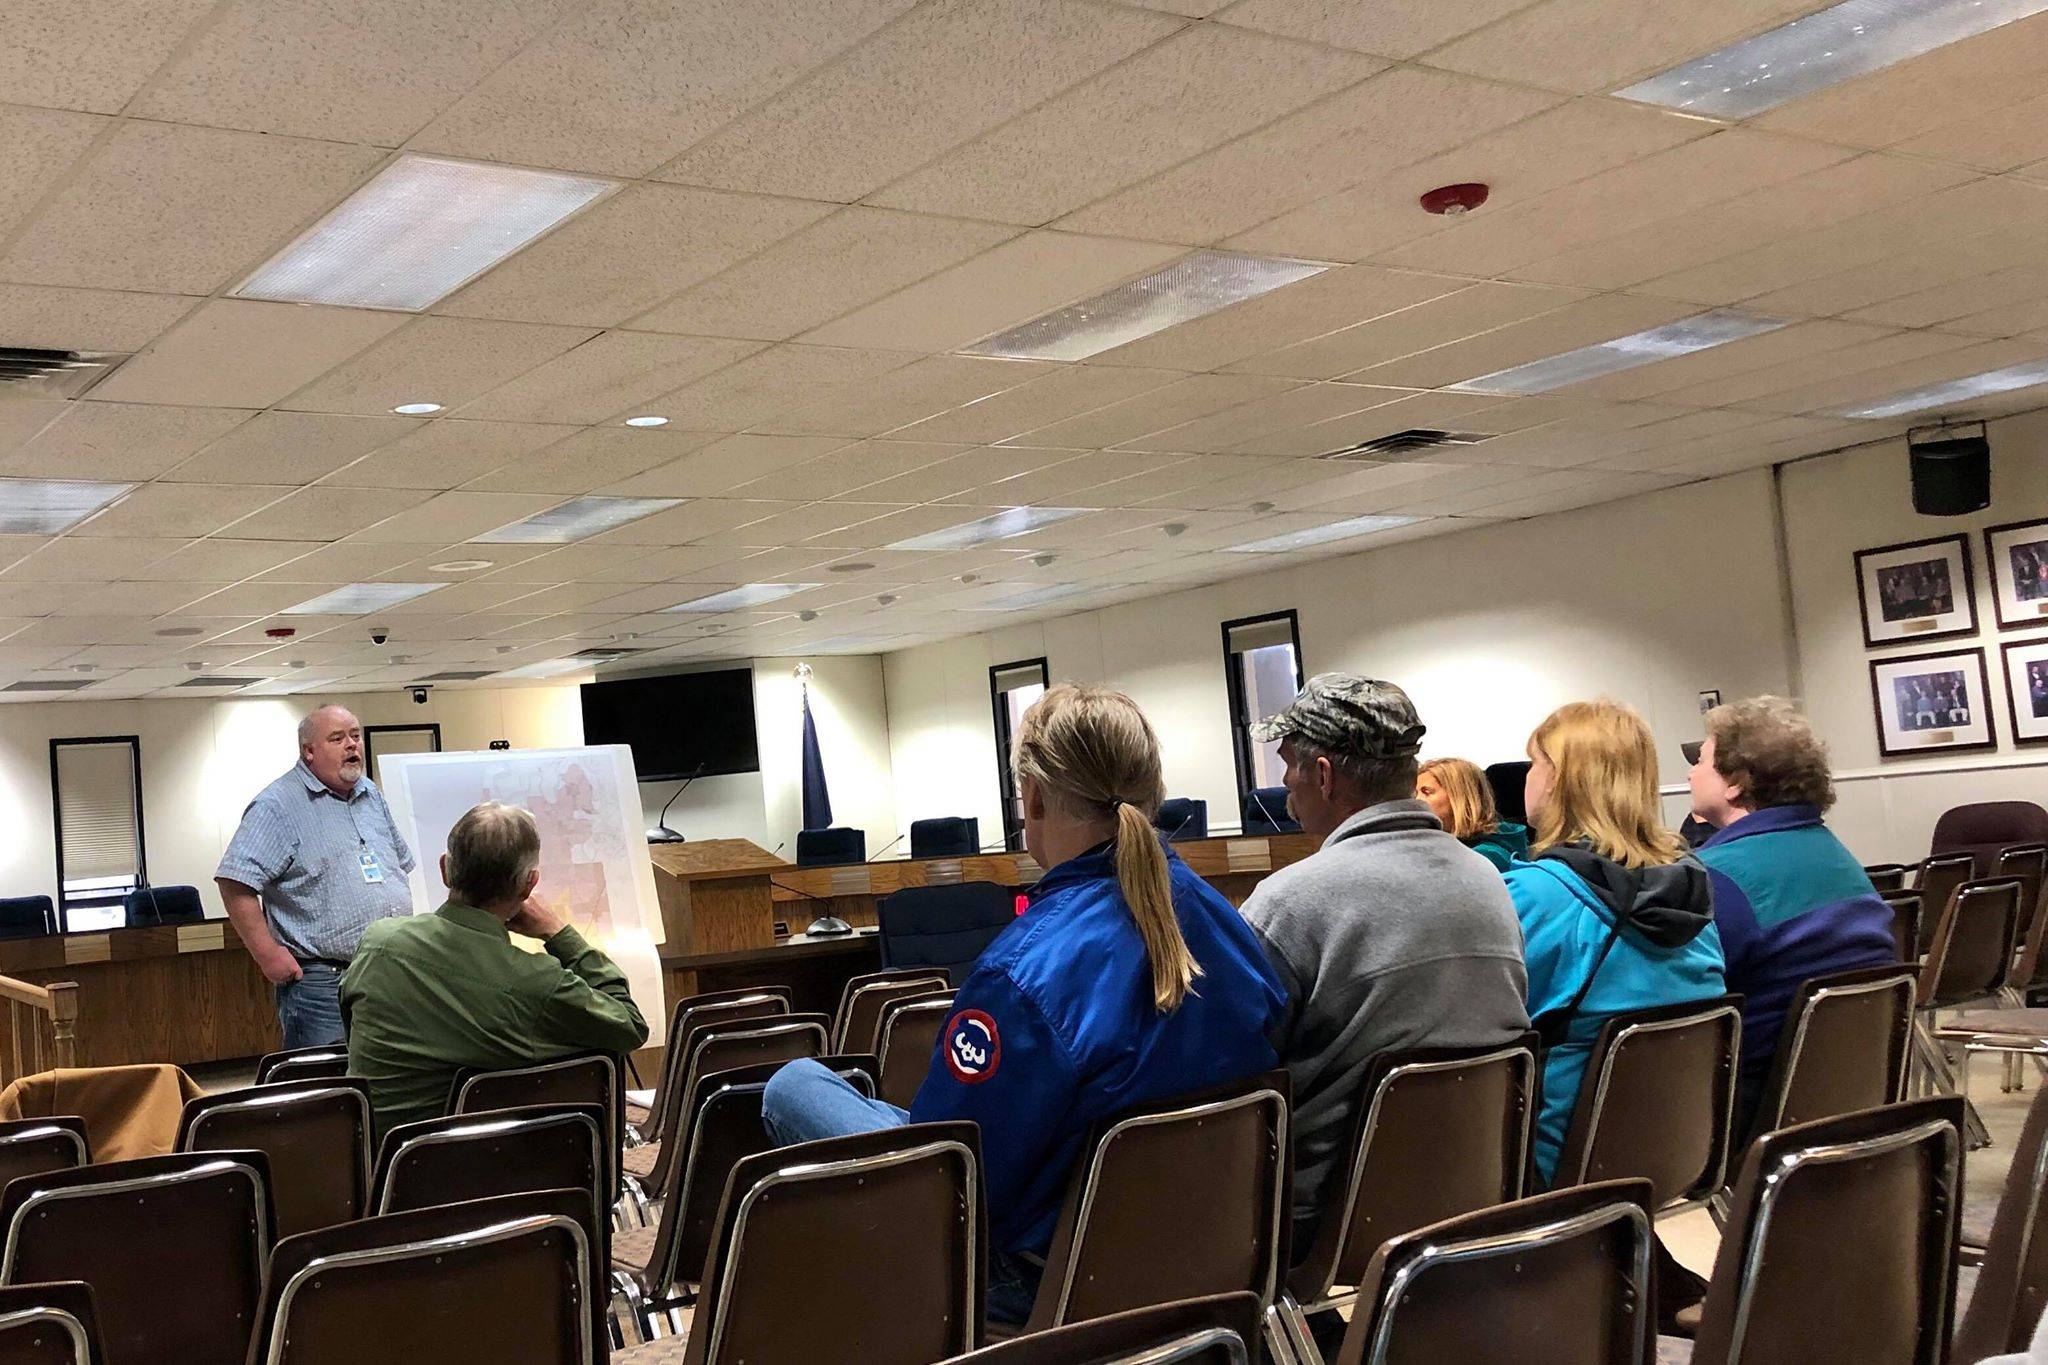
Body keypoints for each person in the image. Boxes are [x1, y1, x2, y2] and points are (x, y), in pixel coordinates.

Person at [760, 684, 1285, 1324]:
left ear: (1032, 798)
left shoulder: (1022, 971)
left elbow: (955, 1177)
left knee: (795, 1087)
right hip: (1214, 1252)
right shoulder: (1227, 923)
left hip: (1050, 1280)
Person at [1240, 677, 1529, 1253]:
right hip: (1478, 1181)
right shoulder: (1489, 878)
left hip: (1326, 1213)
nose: (1284, 785)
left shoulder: (1288, 901)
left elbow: (1232, 1063)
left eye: (1288, 765)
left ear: (1322, 774)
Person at [1504, 700, 1726, 1189]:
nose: (1528, 777)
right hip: (1678, 1152)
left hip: (1555, 1165)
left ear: (1559, 778)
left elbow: (1481, 1027)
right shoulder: (1694, 885)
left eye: (1534, 763)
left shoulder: (1536, 896)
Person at [339, 802, 648, 1140]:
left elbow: (351, 1030)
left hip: (375, 1170)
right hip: (490, 1172)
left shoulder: (377, 943)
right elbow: (629, 1026)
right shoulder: (535, 983)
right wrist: (558, 933)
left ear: (445, 870)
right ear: (529, 885)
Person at [1687, 697, 1896, 1135]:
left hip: (1749, 1107)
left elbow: (1682, 1006)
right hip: (1849, 1094)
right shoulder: (1835, 854)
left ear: (1735, 783)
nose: (1690, 773)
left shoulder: (1716, 877)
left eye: (1701, 761)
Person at [215, 705, 417, 1049]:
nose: (352, 745)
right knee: (328, 1089)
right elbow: (235, 883)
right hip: (323, 982)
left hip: (388, 973)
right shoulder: (276, 805)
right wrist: (267, 955)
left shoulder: (370, 795)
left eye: (355, 735)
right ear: (308, 751)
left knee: (387, 1080)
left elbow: (398, 865)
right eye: (337, 738)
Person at [1415, 756, 1529, 870]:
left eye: (1427, 792)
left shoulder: (1486, 857)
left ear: (1459, 797)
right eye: (1415, 794)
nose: (1417, 800)